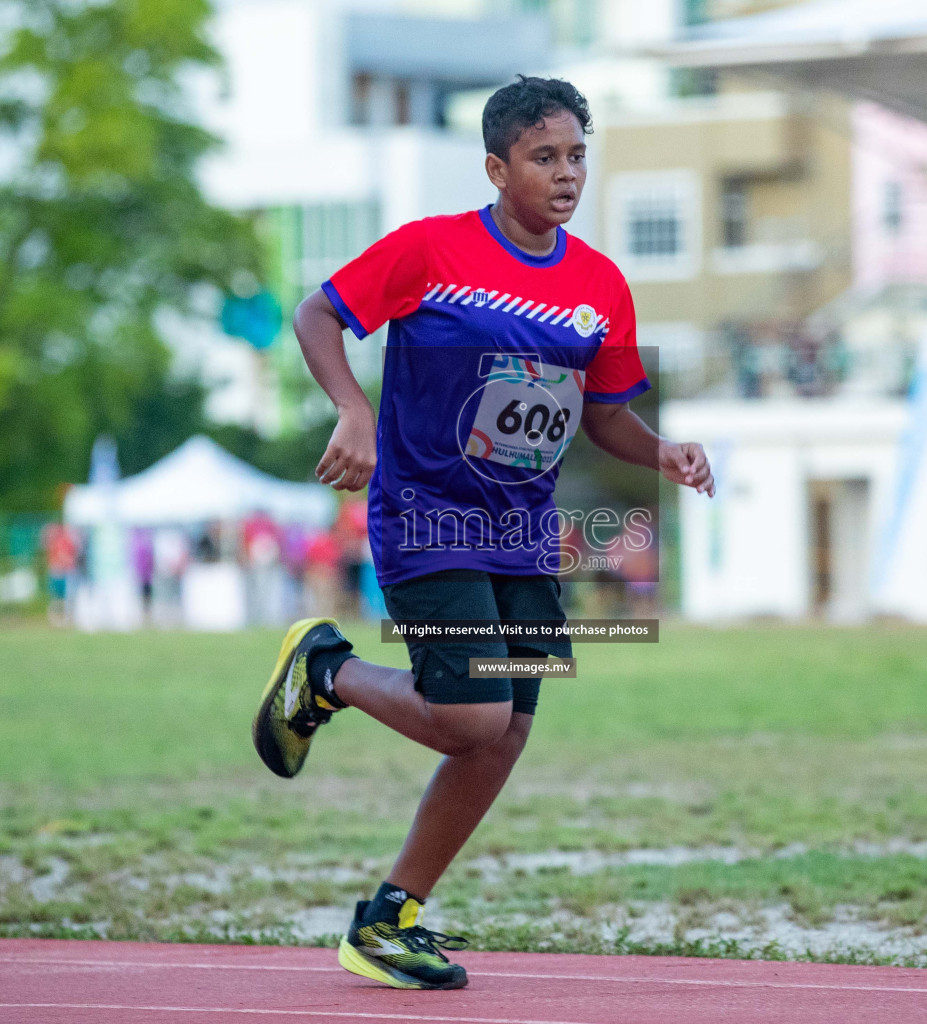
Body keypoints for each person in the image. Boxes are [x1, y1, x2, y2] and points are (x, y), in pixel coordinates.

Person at [251, 76, 715, 991]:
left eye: (578, 154)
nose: (567, 172)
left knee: (508, 731)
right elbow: (318, 314)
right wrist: (351, 409)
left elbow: (605, 414)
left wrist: (664, 452)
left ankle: (389, 920)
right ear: (499, 167)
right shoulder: (431, 251)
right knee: (472, 714)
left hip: (524, 532)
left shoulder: (599, 286)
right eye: (545, 157)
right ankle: (329, 671)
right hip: (428, 517)